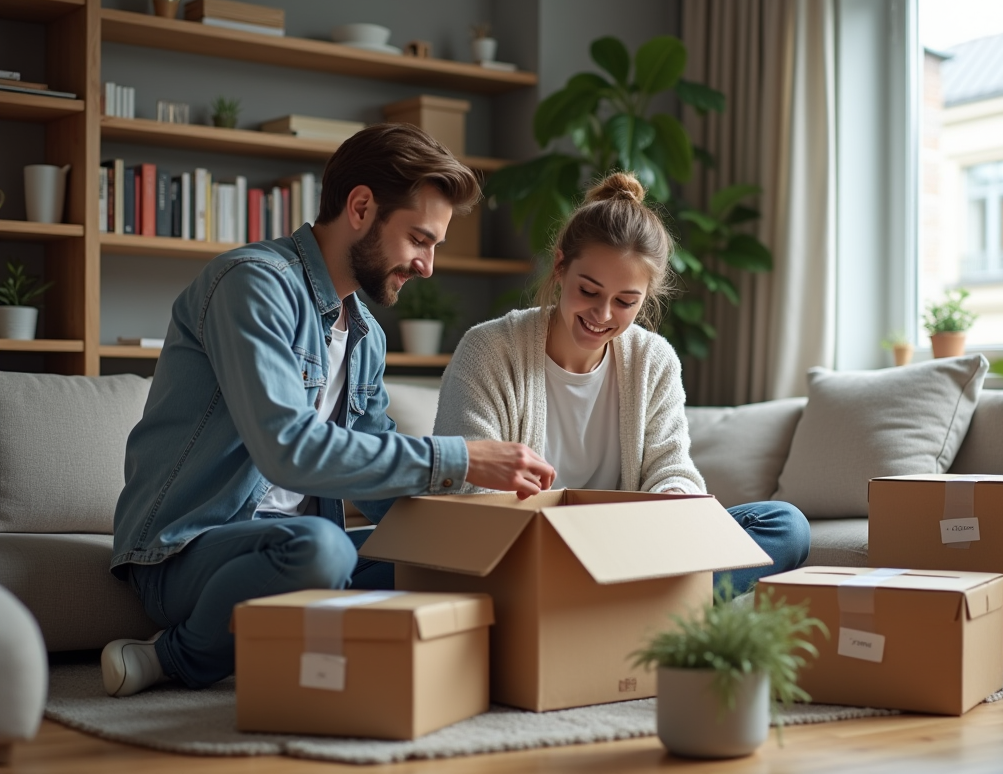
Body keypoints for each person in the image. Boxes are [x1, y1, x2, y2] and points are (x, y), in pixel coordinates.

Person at [103, 124, 555, 698]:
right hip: (185, 550)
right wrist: (460, 458)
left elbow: (374, 484)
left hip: (299, 550)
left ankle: (311, 647)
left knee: (462, 565)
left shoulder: (363, 335)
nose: (427, 266)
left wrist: (477, 530)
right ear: (362, 207)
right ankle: (177, 657)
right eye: (419, 238)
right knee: (320, 547)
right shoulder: (253, 285)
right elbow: (289, 451)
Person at [433, 171, 810, 594]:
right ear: (560, 266)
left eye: (626, 301)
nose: (603, 314)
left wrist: (675, 497)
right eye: (589, 291)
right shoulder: (489, 350)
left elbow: (671, 465)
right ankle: (642, 606)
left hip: (628, 552)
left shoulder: (654, 360)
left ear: (645, 298)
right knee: (373, 561)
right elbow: (466, 488)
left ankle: (613, 604)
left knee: (785, 526)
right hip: (524, 554)